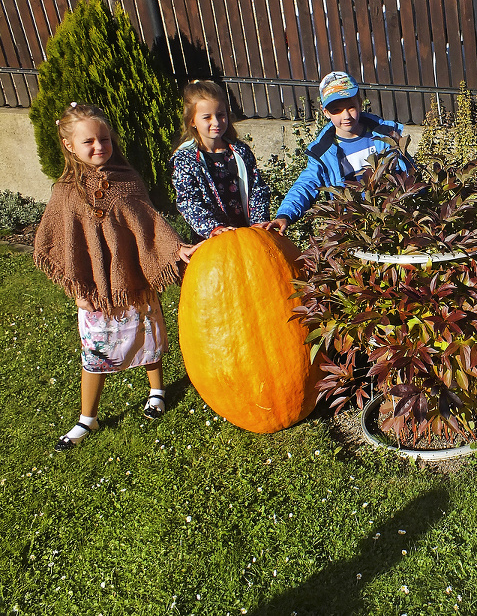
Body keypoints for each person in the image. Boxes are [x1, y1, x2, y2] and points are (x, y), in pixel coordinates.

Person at [33, 103, 198, 451]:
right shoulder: (65, 191)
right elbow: (58, 241)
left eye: (104, 139)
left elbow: (149, 221)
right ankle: (87, 419)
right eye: (88, 141)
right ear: (69, 146)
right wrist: (76, 287)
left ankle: (157, 391)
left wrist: (173, 249)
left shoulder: (127, 179)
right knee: (95, 355)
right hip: (95, 290)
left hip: (135, 282)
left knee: (148, 339)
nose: (98, 147)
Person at [269, 71, 412, 231]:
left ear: (360, 102)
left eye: (351, 107)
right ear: (325, 112)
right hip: (354, 231)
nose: (346, 116)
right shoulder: (324, 152)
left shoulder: (386, 135)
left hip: (393, 222)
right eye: (336, 110)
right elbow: (306, 185)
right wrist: (285, 215)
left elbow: (410, 173)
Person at [170, 80, 272, 239]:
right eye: (207, 117)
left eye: (220, 115)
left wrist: (259, 222)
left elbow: (257, 189)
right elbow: (189, 202)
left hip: (248, 236)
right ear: (192, 121)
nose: (216, 122)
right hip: (212, 241)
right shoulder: (185, 159)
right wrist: (213, 228)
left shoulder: (240, 151)